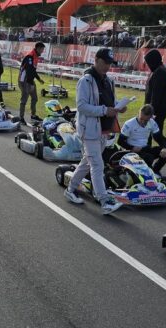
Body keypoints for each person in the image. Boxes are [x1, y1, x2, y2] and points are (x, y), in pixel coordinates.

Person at [63, 48, 125, 215]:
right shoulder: (85, 81)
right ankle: (104, 201)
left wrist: (119, 106)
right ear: (96, 60)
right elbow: (82, 106)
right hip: (89, 131)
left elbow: (110, 101)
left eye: (110, 64)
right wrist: (105, 111)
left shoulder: (109, 81)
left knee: (87, 162)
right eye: (105, 63)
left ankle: (70, 189)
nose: (107, 66)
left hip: (105, 129)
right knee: (97, 164)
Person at [118, 105, 166, 175]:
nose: (142, 122)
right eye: (141, 118)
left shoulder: (152, 123)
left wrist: (164, 148)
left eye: (145, 120)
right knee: (149, 157)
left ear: (151, 117)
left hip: (145, 149)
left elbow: (158, 138)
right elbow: (120, 141)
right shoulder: (129, 124)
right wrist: (132, 147)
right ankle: (146, 174)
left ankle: (155, 170)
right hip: (131, 151)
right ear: (139, 114)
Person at [18, 42, 46, 124]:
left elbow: (33, 71)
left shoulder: (35, 56)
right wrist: (31, 84)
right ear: (38, 48)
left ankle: (33, 115)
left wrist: (38, 79)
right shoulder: (30, 56)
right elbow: (29, 71)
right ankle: (21, 118)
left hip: (30, 79)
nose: (42, 51)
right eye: (42, 49)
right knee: (24, 100)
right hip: (24, 80)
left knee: (35, 98)